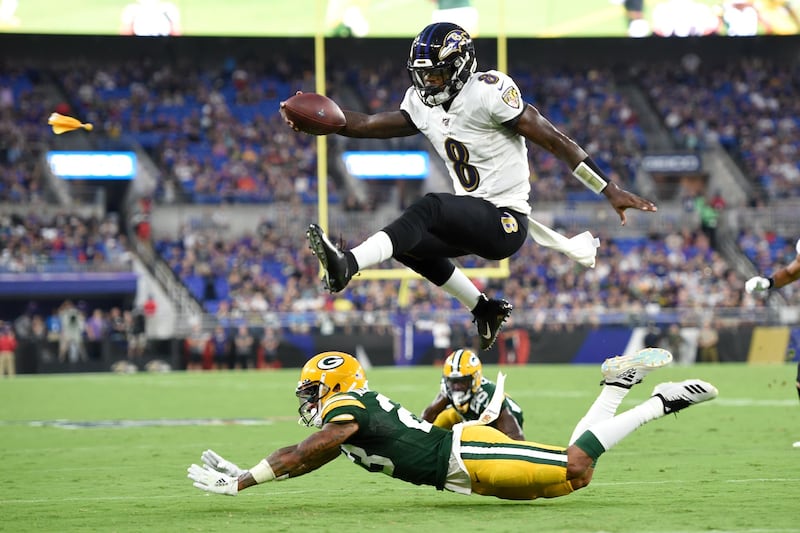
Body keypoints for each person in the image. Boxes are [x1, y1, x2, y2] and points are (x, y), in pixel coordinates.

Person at [283, 22, 657, 350]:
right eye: (423, 75)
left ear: (461, 67)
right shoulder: (422, 103)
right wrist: (321, 119)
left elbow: (555, 141)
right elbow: (365, 124)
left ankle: (347, 263)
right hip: (472, 217)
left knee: (430, 208)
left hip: (505, 222)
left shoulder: (489, 91)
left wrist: (608, 189)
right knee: (408, 245)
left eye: (436, 74)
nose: (428, 83)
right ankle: (483, 308)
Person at [187, 349, 717, 500]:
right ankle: (620, 387)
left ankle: (652, 401)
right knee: (577, 477)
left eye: (312, 390)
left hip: (468, 454)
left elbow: (310, 448)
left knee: (575, 465)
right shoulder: (346, 412)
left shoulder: (343, 409)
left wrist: (244, 481)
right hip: (460, 471)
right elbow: (309, 455)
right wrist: (253, 473)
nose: (309, 400)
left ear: (333, 386)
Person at [420, 349, 525, 439]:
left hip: (497, 422)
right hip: (469, 418)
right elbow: (429, 415)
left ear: (475, 379)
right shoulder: (448, 390)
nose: (457, 387)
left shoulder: (489, 399)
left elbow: (516, 438)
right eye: (453, 381)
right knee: (441, 420)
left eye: (462, 381)